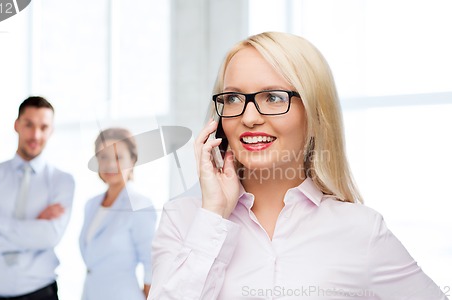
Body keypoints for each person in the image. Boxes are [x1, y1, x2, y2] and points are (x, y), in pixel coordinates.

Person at [148, 32, 449, 299]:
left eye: (274, 97)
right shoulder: (183, 220)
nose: (249, 117)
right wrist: (213, 216)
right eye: (234, 98)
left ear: (314, 111)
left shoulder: (360, 229)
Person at [0, 96, 75, 300]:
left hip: (40, 293)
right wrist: (33, 233)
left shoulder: (62, 181)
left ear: (51, 131)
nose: (36, 134)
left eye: (44, 127)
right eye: (29, 124)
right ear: (16, 125)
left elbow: (49, 238)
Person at [80, 128, 157, 300]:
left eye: (118, 157)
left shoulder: (139, 205)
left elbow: (150, 265)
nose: (110, 164)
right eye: (103, 157)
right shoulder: (91, 205)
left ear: (133, 159)